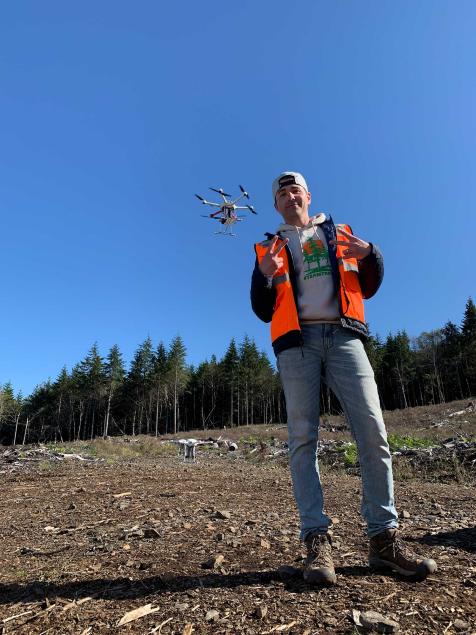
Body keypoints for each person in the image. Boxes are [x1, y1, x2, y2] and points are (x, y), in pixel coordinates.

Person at [250, 171, 436, 585]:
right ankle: (317, 541)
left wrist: (372, 254)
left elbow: (369, 285)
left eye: (295, 189)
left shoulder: (342, 233)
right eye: (282, 193)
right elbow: (262, 308)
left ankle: (383, 541)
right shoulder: (268, 246)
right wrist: (263, 274)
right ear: (276, 205)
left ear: (308, 196)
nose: (289, 195)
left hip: (345, 335)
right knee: (302, 438)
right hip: (296, 345)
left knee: (373, 430)